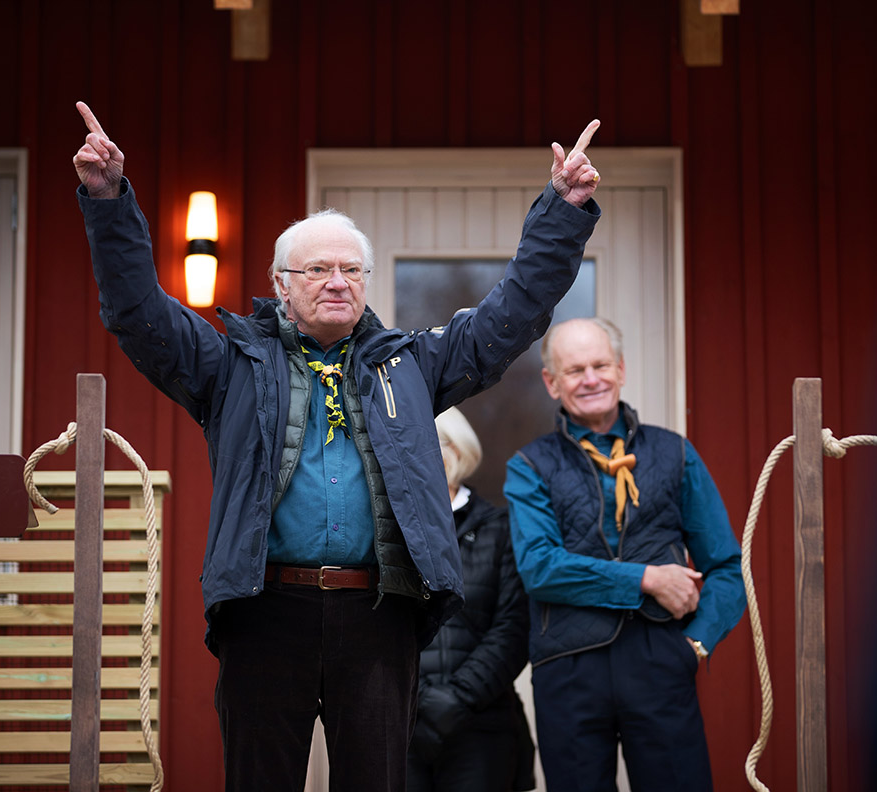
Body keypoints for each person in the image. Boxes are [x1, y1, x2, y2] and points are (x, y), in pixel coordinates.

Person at [72, 100, 602, 792]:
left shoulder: (411, 365)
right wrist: (108, 200)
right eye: (318, 269)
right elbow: (138, 310)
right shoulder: (230, 365)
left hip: (379, 614)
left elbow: (512, 314)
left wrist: (560, 212)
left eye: (352, 270)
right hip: (264, 611)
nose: (337, 281)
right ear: (281, 287)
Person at [504, 317, 746, 792]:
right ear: (552, 383)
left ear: (621, 369)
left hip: (660, 658)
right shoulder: (529, 466)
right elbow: (540, 567)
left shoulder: (675, 453)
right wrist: (647, 579)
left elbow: (726, 567)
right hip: (568, 669)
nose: (590, 379)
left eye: (600, 365)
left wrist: (694, 644)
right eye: (574, 370)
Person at [408, 407, 534, 792]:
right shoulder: (384, 534)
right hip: (401, 724)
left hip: (482, 724)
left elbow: (512, 630)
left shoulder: (501, 530)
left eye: (431, 445)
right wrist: (420, 700)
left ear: (458, 451)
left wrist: (455, 700)